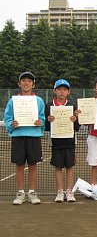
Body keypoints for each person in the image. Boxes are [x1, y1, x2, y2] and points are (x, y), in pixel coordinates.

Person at [4, 72, 45, 205]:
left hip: (34, 136)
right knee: (20, 165)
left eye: (29, 81)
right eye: (24, 80)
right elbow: (8, 117)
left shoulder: (38, 100)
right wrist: (12, 124)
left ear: (33, 84)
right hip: (18, 136)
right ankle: (21, 192)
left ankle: (32, 192)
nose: (26, 83)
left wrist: (41, 122)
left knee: (33, 165)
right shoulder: (13, 100)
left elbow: (42, 117)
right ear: (19, 83)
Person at [45, 79, 80, 203]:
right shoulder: (49, 106)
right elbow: (46, 127)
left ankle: (69, 191)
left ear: (68, 92)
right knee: (58, 166)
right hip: (56, 142)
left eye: (64, 89)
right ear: (55, 91)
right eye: (59, 89)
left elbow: (77, 127)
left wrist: (74, 119)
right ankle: (60, 191)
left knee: (70, 166)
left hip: (70, 141)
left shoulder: (72, 106)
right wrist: (48, 120)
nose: (62, 92)